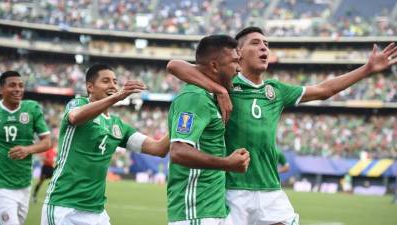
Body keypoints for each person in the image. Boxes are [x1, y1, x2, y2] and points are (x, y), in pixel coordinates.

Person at [167, 27, 397, 225]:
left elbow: (324, 90)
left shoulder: (275, 91)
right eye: (255, 43)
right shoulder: (225, 82)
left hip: (270, 189)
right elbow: (176, 66)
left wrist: (366, 70)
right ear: (239, 53)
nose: (264, 48)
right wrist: (219, 90)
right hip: (231, 189)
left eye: (267, 44)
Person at [42, 64, 170, 225]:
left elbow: (158, 148)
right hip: (65, 207)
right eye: (106, 81)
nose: (113, 85)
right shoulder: (77, 104)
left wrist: (182, 122)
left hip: (96, 212)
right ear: (90, 86)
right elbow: (75, 117)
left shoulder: (119, 127)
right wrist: (117, 97)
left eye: (115, 82)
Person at [167, 35, 250, 225]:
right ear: (214, 66)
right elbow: (178, 152)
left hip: (214, 209)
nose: (239, 68)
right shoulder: (194, 98)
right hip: (196, 212)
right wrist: (227, 163)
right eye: (234, 62)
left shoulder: (211, 95)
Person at [0, 71, 51, 225]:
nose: (18, 89)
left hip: (24, 185)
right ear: (1, 89)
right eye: (12, 85)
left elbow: (47, 142)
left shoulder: (31, 109)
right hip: (1, 186)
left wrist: (28, 149)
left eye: (21, 85)